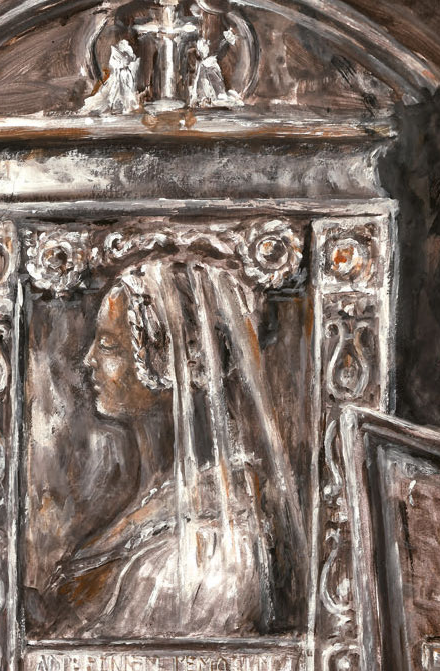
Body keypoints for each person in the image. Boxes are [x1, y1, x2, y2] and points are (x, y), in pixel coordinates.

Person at [30, 256, 305, 639]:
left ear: (169, 362)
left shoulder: (212, 551)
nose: (88, 359)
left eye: (108, 345)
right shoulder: (162, 496)